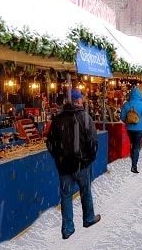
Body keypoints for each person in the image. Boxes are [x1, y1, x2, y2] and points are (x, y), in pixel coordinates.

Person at [46, 89, 100, 240]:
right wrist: (90, 158)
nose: (82, 102)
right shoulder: (84, 117)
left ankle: (67, 228)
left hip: (64, 165)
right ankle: (88, 219)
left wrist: (58, 157)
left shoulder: (58, 119)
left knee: (66, 196)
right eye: (81, 100)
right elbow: (93, 141)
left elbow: (50, 143)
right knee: (85, 191)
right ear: (78, 101)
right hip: (81, 163)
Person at [120, 87, 142, 173]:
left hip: (129, 128)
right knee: (136, 146)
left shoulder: (126, 104)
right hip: (139, 128)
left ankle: (132, 157)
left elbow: (122, 118)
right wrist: (141, 122)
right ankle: (134, 166)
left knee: (132, 144)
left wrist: (128, 121)